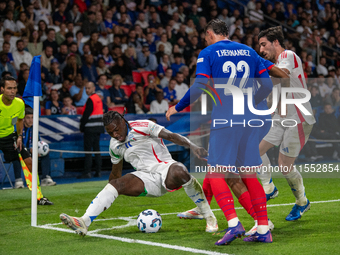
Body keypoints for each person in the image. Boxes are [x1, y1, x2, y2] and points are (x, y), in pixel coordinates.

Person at [166, 19, 274, 244]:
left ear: (210, 34)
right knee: (249, 174)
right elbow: (266, 85)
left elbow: (199, 86)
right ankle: (263, 228)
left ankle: (234, 224)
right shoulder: (249, 51)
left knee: (215, 172)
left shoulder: (208, 52)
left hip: (226, 120)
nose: (205, 40)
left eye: (205, 36)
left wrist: (177, 107)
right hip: (251, 120)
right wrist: (249, 104)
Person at [60, 111, 217, 236]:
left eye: (116, 129)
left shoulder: (144, 126)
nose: (114, 135)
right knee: (116, 184)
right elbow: (115, 175)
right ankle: (84, 221)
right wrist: (109, 194)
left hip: (166, 169)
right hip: (144, 178)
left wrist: (193, 146)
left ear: (123, 121)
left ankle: (208, 216)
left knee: (180, 170)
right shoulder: (114, 145)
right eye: (110, 133)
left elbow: (171, 136)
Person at [258, 26, 315, 220]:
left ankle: (302, 202)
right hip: (281, 119)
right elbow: (274, 90)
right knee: (253, 151)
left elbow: (281, 75)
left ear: (275, 43)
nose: (261, 50)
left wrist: (257, 66)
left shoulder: (287, 55)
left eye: (264, 45)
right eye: (259, 46)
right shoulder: (274, 66)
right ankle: (269, 188)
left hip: (298, 118)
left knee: (284, 165)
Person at [0, 76, 53, 205]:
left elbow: (19, 120)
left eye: (14, 88)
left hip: (9, 136)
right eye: (9, 88)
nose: (12, 91)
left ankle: (39, 197)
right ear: (2, 89)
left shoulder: (19, 103)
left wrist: (19, 136)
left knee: (29, 161)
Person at [23, 107, 56, 186]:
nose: (31, 120)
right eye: (28, 118)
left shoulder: (34, 129)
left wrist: (44, 149)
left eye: (32, 118)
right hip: (20, 152)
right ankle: (19, 181)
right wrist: (29, 150)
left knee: (45, 153)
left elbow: (39, 143)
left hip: (31, 152)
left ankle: (45, 178)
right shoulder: (19, 128)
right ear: (23, 119)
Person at [79, 82, 104, 179]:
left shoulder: (91, 99)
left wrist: (81, 127)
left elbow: (86, 115)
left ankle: (87, 172)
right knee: (97, 150)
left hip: (90, 128)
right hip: (98, 128)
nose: (87, 90)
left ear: (93, 88)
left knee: (88, 151)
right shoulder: (98, 99)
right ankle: (98, 171)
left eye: (88, 88)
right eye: (86, 88)